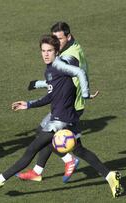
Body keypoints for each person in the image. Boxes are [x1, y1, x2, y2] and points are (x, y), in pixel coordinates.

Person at [0, 35, 122, 198]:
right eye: (43, 51)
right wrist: (28, 104)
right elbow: (51, 96)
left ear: (57, 51)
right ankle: (110, 176)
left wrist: (86, 93)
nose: (46, 54)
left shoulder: (59, 65)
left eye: (50, 51)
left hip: (59, 121)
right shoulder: (50, 69)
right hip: (70, 119)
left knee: (31, 150)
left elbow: (79, 72)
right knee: (80, 151)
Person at [18, 22, 98, 183]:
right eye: (54, 38)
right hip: (67, 101)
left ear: (68, 37)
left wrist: (85, 93)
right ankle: (38, 171)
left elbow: (63, 74)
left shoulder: (71, 55)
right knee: (46, 133)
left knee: (50, 136)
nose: (56, 42)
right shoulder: (71, 47)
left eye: (59, 39)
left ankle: (69, 160)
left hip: (70, 104)